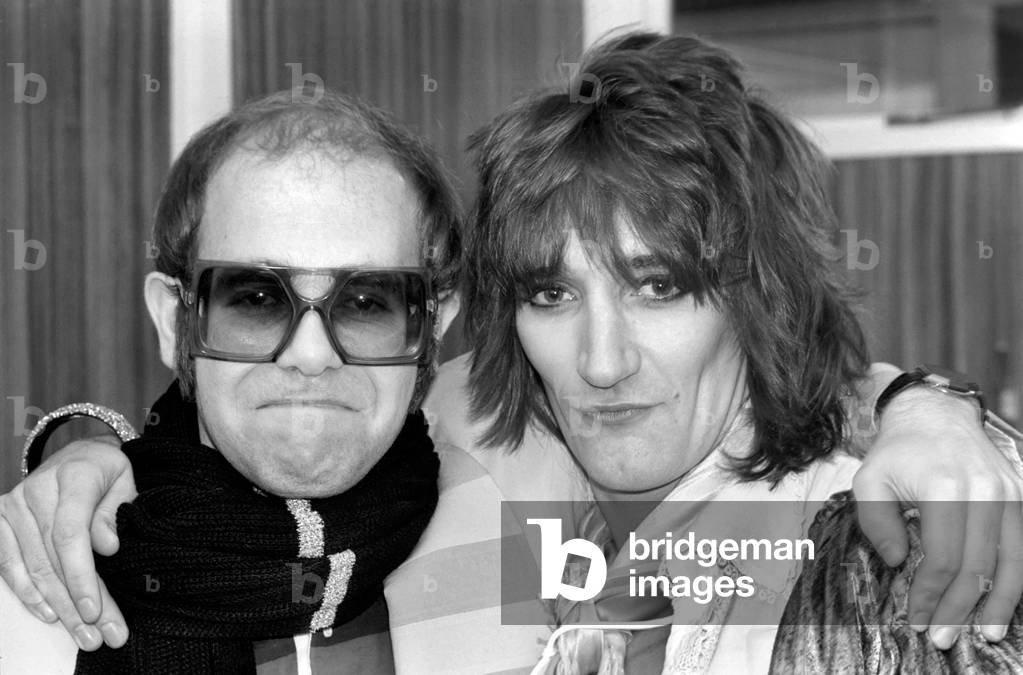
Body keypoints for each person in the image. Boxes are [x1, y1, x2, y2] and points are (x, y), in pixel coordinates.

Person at [3, 36, 1023, 673]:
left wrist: (938, 411)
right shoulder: (478, 440)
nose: (603, 360)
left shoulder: (877, 545)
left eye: (658, 285)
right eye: (550, 292)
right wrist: (84, 444)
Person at [0, 88, 465, 673]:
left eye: (367, 302)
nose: (312, 355)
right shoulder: (31, 599)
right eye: (257, 299)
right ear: (174, 322)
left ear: (434, 328)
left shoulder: (517, 540)